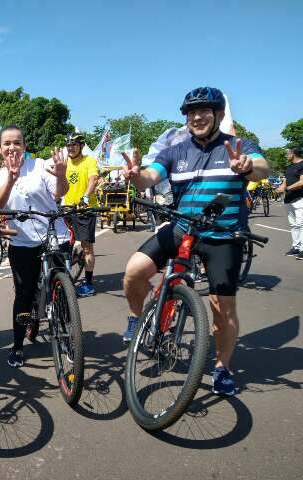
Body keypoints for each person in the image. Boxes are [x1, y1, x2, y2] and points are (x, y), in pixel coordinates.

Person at [121, 87, 269, 396]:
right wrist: (135, 175)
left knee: (222, 307)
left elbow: (261, 169)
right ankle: (137, 319)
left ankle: (222, 368)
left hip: (222, 235)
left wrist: (248, 167)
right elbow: (150, 176)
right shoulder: (176, 150)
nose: (197, 117)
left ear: (218, 115)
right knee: (134, 270)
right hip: (181, 228)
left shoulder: (237, 146)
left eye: (204, 111)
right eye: (191, 113)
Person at [0, 126, 69, 368]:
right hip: (21, 242)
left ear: (24, 145)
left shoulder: (40, 166)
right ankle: (18, 345)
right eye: (7, 143)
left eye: (17, 142)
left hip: (55, 236)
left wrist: (62, 175)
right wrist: (11, 179)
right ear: (0, 148)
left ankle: (67, 337)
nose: (12, 147)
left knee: (63, 291)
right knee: (23, 295)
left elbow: (59, 192)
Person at [60, 133, 100, 297]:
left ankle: (89, 284)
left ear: (81, 146)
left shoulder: (89, 161)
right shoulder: (65, 162)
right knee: (62, 244)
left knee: (87, 247)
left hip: (85, 210)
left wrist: (85, 197)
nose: (70, 148)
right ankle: (64, 276)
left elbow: (93, 179)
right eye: (68, 145)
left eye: (74, 145)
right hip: (67, 209)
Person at [277, 143, 303, 259]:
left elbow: (302, 182)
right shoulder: (289, 167)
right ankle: (296, 247)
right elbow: (287, 181)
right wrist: (281, 187)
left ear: (293, 153)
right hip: (289, 199)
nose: (285, 155)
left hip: (300, 199)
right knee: (293, 225)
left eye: (287, 153)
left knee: (301, 224)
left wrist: (287, 188)